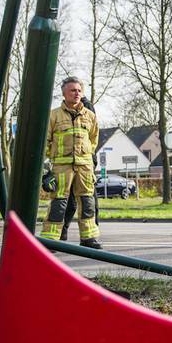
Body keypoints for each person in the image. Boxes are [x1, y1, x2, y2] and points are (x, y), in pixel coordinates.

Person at [40, 77, 102, 248]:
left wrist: (86, 157)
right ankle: (51, 240)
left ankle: (89, 238)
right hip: (62, 167)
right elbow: (45, 141)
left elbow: (93, 140)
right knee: (59, 203)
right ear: (64, 93)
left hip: (84, 167)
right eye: (73, 90)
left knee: (87, 202)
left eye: (79, 90)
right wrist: (51, 161)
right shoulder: (53, 115)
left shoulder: (90, 116)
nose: (77, 93)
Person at [60, 96, 100, 241]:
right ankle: (65, 233)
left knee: (84, 201)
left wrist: (90, 160)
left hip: (83, 163)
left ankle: (88, 235)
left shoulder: (86, 107)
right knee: (79, 201)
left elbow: (92, 137)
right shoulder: (61, 113)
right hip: (73, 163)